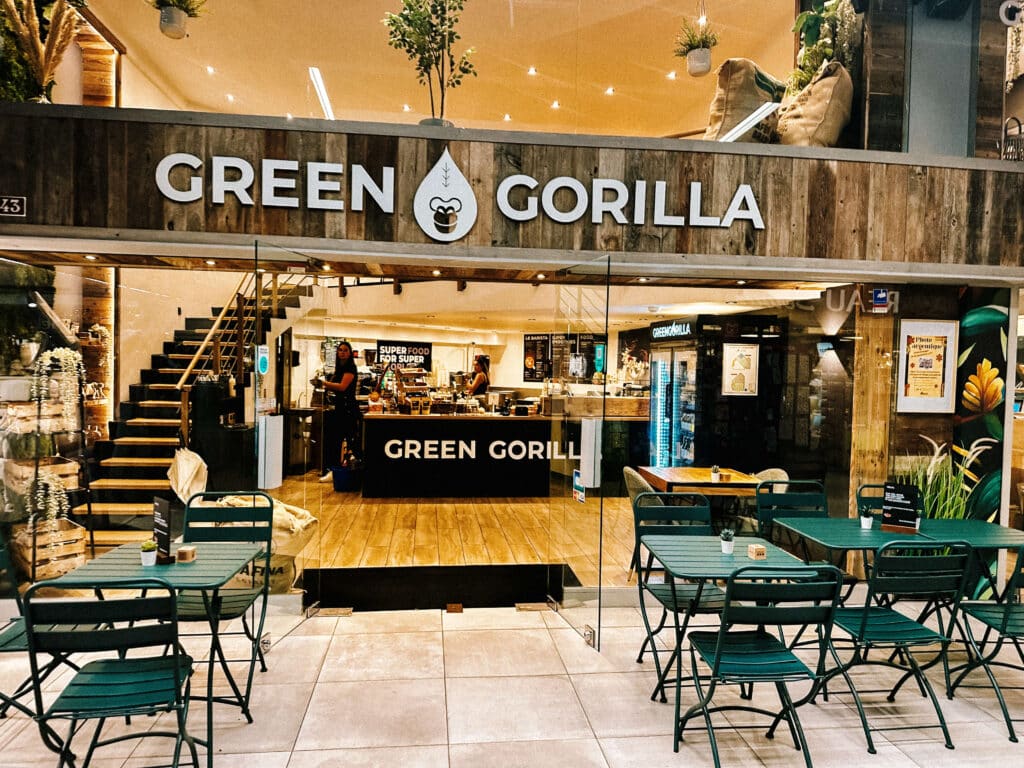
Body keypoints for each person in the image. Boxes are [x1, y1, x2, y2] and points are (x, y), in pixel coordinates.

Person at [316, 341, 360, 482]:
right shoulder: (339, 369)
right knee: (335, 440)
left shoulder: (350, 368)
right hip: (341, 408)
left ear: (349, 352)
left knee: (348, 440)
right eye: (340, 350)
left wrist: (323, 383)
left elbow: (342, 387)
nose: (342, 352)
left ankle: (343, 471)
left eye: (345, 350)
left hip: (348, 409)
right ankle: (334, 470)